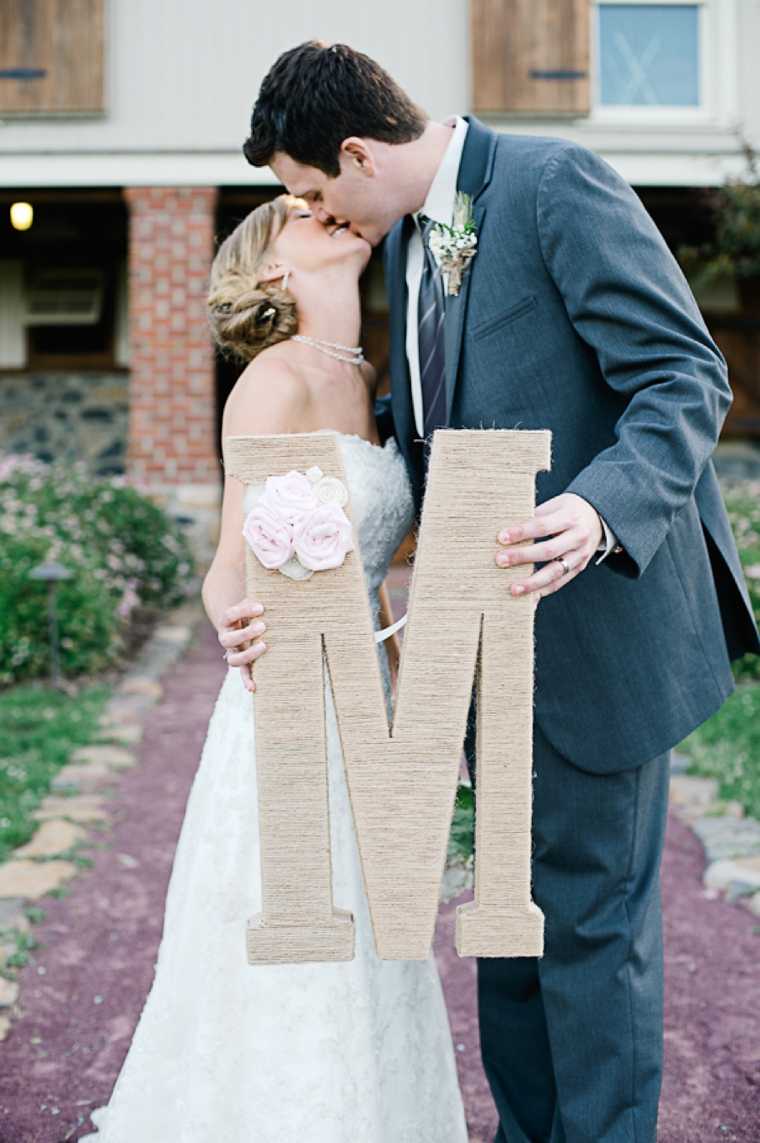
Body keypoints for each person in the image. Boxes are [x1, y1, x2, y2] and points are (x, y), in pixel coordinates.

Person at [242, 41, 760, 1143]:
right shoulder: (400, 247)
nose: (320, 217)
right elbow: (438, 435)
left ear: (353, 153)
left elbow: (683, 374)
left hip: (597, 628)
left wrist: (601, 506)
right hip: (479, 648)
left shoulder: (552, 184)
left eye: (312, 193)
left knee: (590, 929)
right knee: (508, 932)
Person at [80, 195, 468, 1142]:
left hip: (367, 699)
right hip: (291, 703)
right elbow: (227, 568)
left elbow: (373, 571)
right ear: (271, 271)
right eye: (299, 212)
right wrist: (235, 630)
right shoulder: (270, 383)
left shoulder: (376, 377)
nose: (326, 212)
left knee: (370, 928)